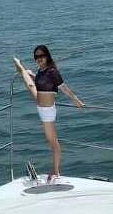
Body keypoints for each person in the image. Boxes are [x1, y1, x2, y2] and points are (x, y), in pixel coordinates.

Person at [14, 45, 84, 183]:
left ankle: (56, 171)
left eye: (41, 56)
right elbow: (41, 82)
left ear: (47, 56)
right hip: (40, 104)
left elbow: (63, 87)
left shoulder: (52, 71)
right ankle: (22, 69)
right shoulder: (41, 71)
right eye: (36, 57)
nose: (39, 59)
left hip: (47, 112)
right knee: (30, 84)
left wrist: (76, 100)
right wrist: (32, 74)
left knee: (53, 143)